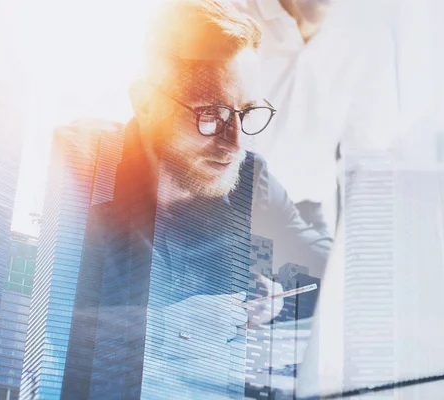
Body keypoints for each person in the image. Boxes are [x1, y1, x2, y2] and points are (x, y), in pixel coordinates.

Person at [62, 1, 332, 399]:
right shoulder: (81, 173)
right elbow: (27, 316)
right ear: (147, 103)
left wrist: (278, 295)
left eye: (247, 112)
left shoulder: (250, 183)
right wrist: (168, 329)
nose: (236, 142)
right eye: (211, 114)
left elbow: (330, 267)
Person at [230, 0, 399, 235]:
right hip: (223, 211)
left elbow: (367, 156)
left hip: (303, 220)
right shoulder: (231, 15)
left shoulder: (368, 36)